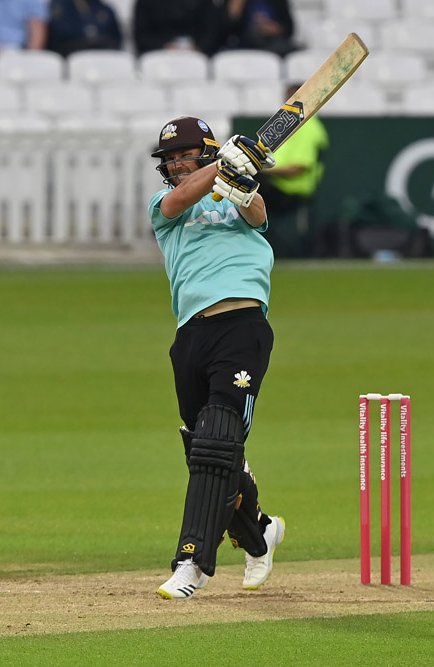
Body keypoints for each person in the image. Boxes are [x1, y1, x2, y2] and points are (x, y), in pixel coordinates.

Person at [148, 116, 286, 600]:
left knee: (217, 442)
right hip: (191, 335)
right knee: (206, 451)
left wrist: (243, 180)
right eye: (169, 160)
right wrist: (224, 164)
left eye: (184, 156)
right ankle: (259, 531)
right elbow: (181, 198)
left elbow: (258, 214)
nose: (176, 166)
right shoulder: (164, 207)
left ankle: (192, 563)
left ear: (206, 153)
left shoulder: (235, 195)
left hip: (241, 327)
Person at [257, 82, 329, 257]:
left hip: (291, 191)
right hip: (275, 185)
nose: (290, 103)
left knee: (245, 188)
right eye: (288, 99)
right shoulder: (287, 125)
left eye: (295, 98)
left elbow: (298, 169)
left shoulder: (308, 128)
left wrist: (262, 171)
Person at [209, 0, 297, 56]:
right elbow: (223, 31)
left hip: (273, 46)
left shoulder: (278, 2)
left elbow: (289, 29)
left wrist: (273, 28)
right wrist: (235, 9)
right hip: (241, 46)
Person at [132, 0, 218, 55]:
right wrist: (165, 46)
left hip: (197, 55)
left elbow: (212, 32)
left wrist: (198, 48)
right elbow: (141, 36)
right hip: (158, 55)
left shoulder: (203, 3)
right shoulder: (146, 2)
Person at [45, 0, 122, 57]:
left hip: (103, 57)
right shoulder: (58, 6)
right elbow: (58, 36)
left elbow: (116, 39)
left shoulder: (105, 9)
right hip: (68, 57)